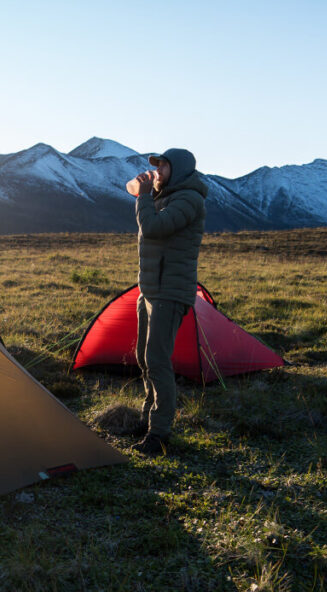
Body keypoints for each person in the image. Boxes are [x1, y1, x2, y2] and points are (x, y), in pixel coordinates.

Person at [130, 148, 207, 454]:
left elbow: (153, 228)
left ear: (180, 169)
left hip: (169, 292)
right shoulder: (165, 197)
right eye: (157, 164)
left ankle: (159, 434)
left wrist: (144, 195)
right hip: (150, 289)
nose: (158, 169)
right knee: (144, 358)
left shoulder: (189, 199)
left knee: (158, 361)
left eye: (164, 165)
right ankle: (148, 420)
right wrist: (145, 191)